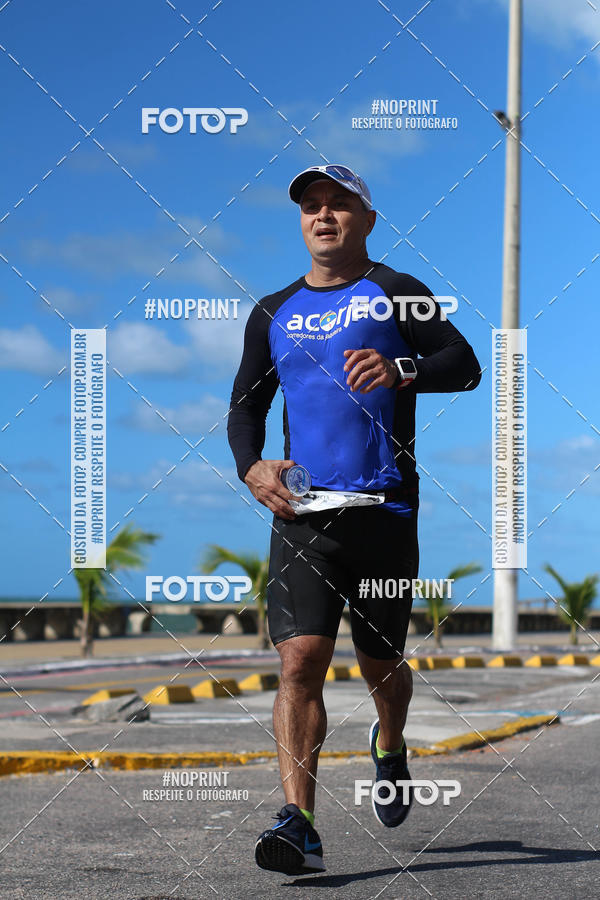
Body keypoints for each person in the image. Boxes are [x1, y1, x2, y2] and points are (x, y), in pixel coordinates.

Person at [227, 164, 481, 876]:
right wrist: (252, 466)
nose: (324, 215)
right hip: (303, 513)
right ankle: (299, 822)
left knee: (380, 664)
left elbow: (463, 365)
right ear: (301, 222)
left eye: (339, 204)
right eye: (312, 206)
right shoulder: (273, 310)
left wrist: (403, 370)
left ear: (367, 219)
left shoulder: (398, 291)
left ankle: (390, 742)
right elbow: (245, 406)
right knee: (300, 660)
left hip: (385, 511)